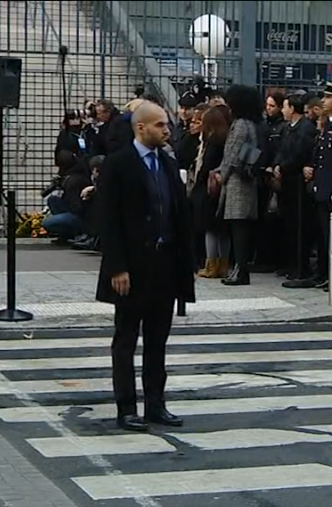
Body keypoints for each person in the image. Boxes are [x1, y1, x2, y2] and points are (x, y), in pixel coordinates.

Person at [95, 102, 196, 432]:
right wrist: (116, 267)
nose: (167, 130)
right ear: (141, 128)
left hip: (165, 265)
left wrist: (186, 261)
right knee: (126, 339)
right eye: (160, 125)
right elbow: (108, 221)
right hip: (132, 268)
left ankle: (156, 403)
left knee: (158, 339)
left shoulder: (167, 163)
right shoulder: (119, 164)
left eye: (167, 125)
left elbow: (179, 213)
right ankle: (126, 407)